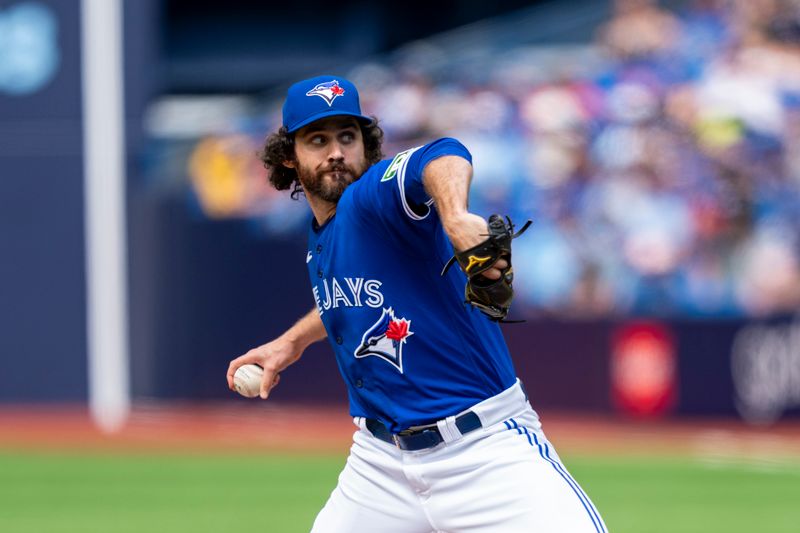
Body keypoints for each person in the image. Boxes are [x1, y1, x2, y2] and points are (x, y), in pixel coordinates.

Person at [226, 75, 607, 533]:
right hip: (380, 464)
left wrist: (456, 215)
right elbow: (352, 299)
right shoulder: (321, 235)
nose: (336, 152)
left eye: (348, 136)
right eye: (317, 139)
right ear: (289, 155)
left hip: (483, 451)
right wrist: (290, 342)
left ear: (366, 146)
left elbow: (442, 153)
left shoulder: (373, 199)